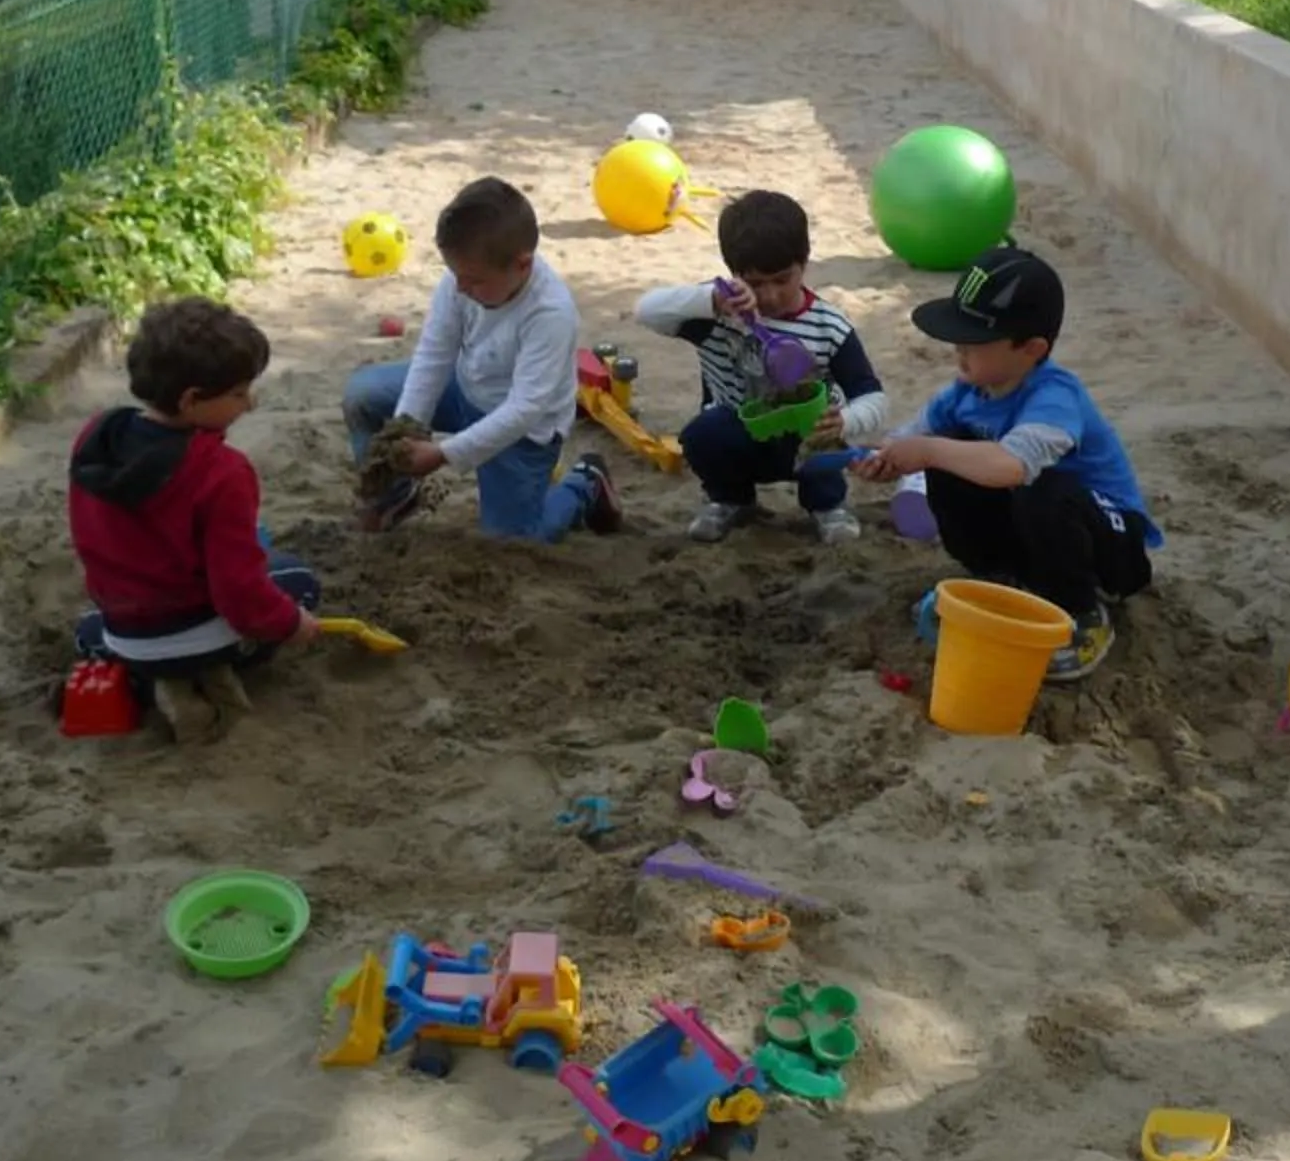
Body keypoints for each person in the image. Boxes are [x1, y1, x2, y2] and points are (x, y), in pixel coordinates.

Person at [853, 243, 1156, 682]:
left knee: (1038, 487)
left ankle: (1082, 613)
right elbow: (911, 439)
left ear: (1031, 348)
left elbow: (1011, 466)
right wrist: (882, 458)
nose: (959, 349)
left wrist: (928, 451)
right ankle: (1001, 576)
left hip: (1109, 548)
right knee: (950, 447)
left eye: (974, 341)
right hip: (1036, 535)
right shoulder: (967, 391)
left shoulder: (1055, 397)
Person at [68, 297, 322, 741]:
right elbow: (241, 595)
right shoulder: (222, 472)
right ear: (191, 400)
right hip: (197, 631)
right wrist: (291, 623)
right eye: (238, 393)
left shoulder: (96, 438)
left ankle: (154, 680)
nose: (250, 403)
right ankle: (203, 675)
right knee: (297, 580)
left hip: (125, 630)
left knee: (88, 632)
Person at [342, 176, 622, 540]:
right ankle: (395, 497)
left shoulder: (550, 313)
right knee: (363, 395)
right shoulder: (464, 277)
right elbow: (434, 354)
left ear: (522, 266)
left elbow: (525, 408)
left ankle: (584, 484)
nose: (459, 288)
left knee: (513, 538)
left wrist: (443, 453)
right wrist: (405, 430)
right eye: (455, 275)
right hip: (466, 389)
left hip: (523, 430)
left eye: (473, 281)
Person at [635, 189, 891, 545]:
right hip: (738, 432)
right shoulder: (719, 313)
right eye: (755, 283)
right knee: (703, 433)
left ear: (805, 263)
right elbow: (646, 311)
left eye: (782, 279)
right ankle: (730, 499)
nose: (769, 295)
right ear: (734, 273)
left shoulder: (827, 326)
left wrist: (845, 420)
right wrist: (710, 299)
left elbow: (872, 396)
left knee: (821, 437)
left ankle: (828, 505)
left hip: (806, 439)